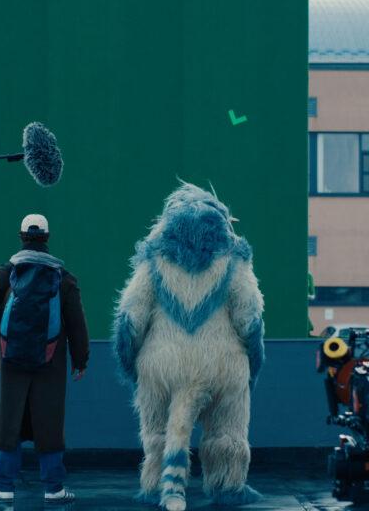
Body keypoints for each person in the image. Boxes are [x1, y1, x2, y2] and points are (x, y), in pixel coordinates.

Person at [112, 182, 265, 511]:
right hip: (221, 364)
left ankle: (159, 485)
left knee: (157, 430)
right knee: (226, 431)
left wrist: (129, 364)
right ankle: (227, 485)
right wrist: (254, 361)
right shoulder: (234, 260)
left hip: (162, 365)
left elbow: (130, 318)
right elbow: (249, 319)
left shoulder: (153, 261)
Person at [0, 214, 89, 505]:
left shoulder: (4, 273)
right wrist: (80, 359)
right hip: (50, 361)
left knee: (9, 422)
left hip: (13, 360)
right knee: (50, 423)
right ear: (47, 238)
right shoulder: (63, 277)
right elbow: (76, 322)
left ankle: (4, 489)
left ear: (21, 236)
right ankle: (53, 489)